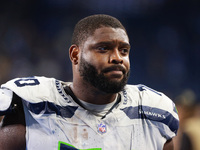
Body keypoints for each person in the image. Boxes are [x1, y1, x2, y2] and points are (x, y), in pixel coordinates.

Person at [0, 14, 179, 150]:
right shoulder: (32, 107)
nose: (117, 58)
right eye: (103, 49)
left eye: (124, 50)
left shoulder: (154, 113)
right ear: (75, 55)